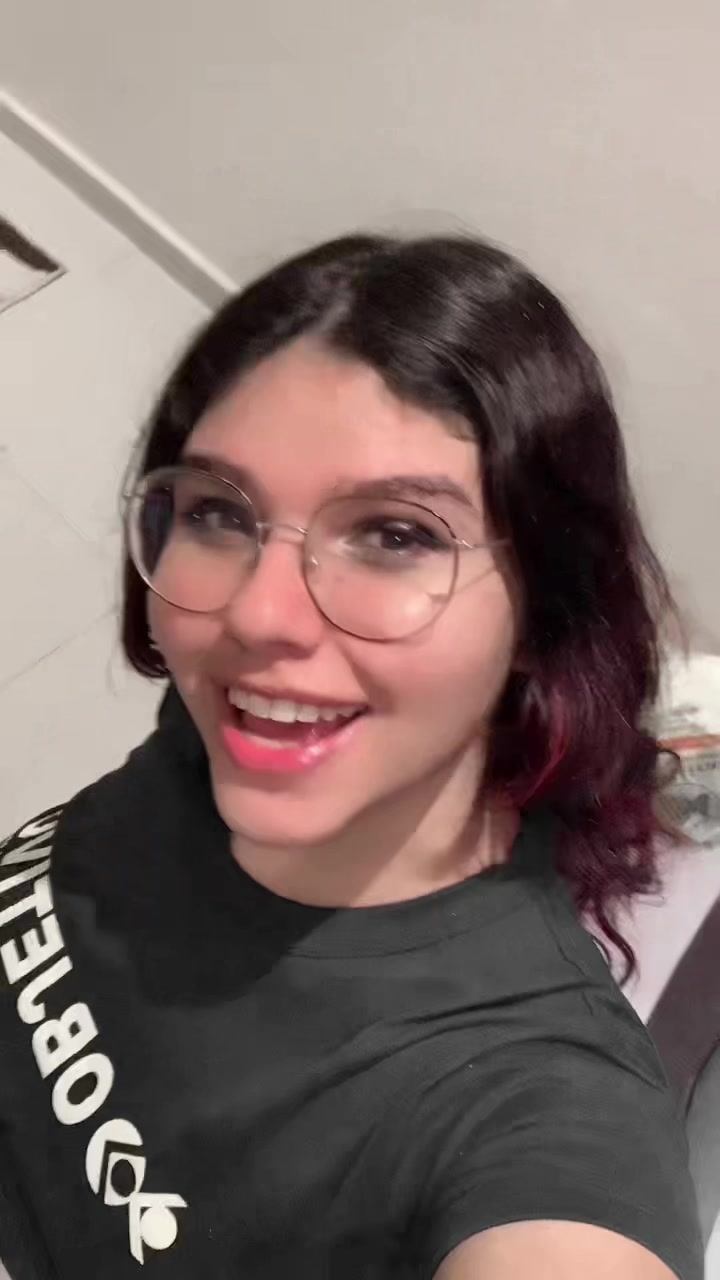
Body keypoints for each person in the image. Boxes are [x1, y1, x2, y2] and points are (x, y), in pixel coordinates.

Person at [0, 234, 703, 1280]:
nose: (257, 614)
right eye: (219, 512)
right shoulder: (225, 735)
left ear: (546, 606)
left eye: (396, 535)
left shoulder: (534, 1110)